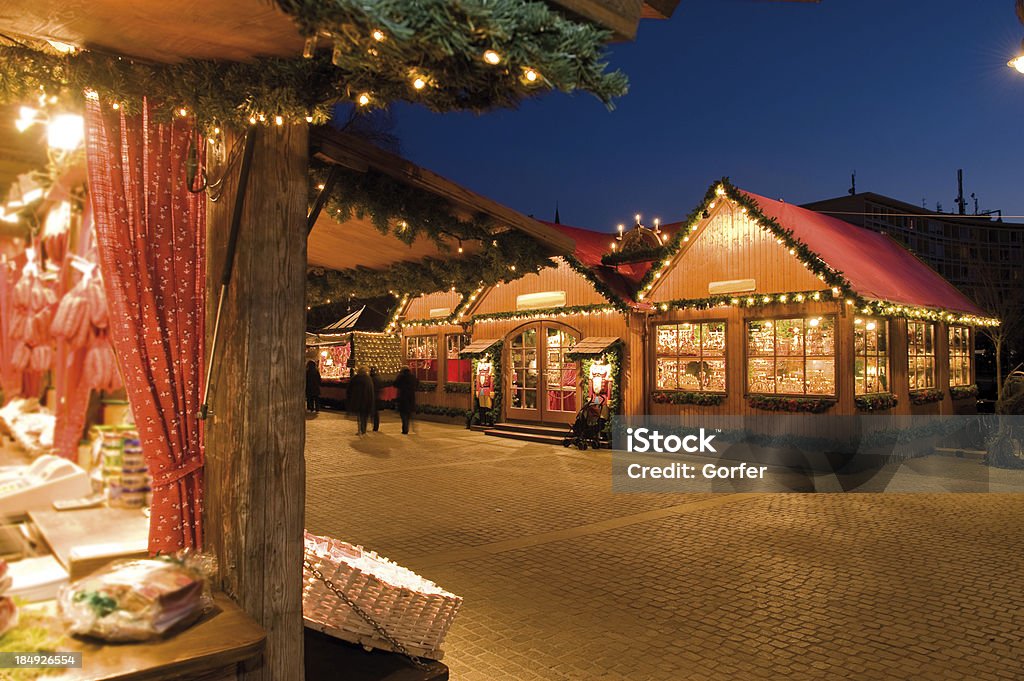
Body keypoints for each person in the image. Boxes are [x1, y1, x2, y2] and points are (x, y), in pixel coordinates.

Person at [348, 366, 375, 435]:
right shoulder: (368, 379)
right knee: (364, 416)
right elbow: (371, 391)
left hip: (357, 400)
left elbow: (349, 389)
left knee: (359, 416)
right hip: (366, 400)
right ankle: (363, 429)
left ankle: (360, 429)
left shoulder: (355, 378)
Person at [393, 367, 419, 435]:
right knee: (409, 413)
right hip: (411, 397)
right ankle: (413, 427)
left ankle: (405, 429)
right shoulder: (413, 377)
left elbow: (395, 384)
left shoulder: (401, 377)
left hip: (403, 397)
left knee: (403, 414)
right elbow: (417, 384)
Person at [369, 366, 382, 432]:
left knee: (372, 412)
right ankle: (375, 426)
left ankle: (372, 425)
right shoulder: (378, 378)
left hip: (372, 396)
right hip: (377, 396)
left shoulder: (370, 379)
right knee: (376, 412)